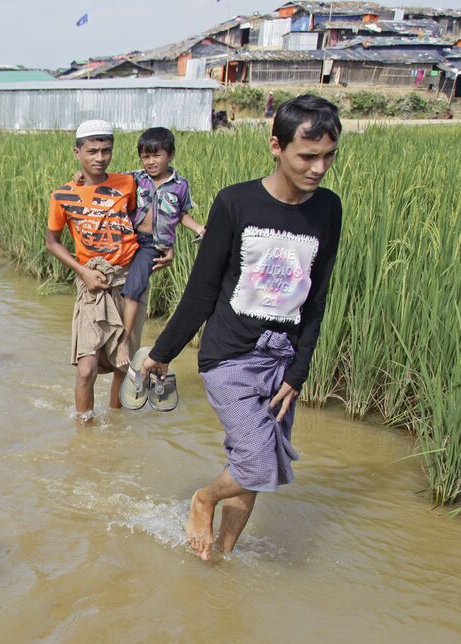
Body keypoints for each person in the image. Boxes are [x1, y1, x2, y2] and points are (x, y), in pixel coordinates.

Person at [139, 95, 343, 560]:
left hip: (281, 358)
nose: (319, 168)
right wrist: (161, 352)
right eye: (307, 156)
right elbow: (202, 288)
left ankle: (220, 557)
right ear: (277, 145)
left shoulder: (327, 209)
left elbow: (316, 297)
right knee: (256, 459)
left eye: (328, 155)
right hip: (229, 355)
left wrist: (298, 373)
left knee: (254, 463)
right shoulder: (236, 202)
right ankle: (203, 499)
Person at [44, 120, 165, 420]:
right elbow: (52, 242)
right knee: (86, 368)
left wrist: (165, 249)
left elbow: (165, 197)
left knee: (123, 365)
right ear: (77, 152)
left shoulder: (128, 183)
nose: (100, 158)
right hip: (92, 283)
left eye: (106, 150)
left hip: (128, 282)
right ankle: (84, 433)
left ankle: (116, 422)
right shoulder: (62, 196)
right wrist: (82, 271)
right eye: (92, 151)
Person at [76, 128, 206, 372]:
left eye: (157, 156)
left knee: (133, 292)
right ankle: (103, 341)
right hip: (129, 239)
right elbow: (104, 179)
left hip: (152, 246)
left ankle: (124, 343)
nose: (151, 162)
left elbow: (182, 215)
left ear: (171, 155)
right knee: (115, 284)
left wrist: (198, 227)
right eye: (146, 157)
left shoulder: (179, 185)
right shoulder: (134, 178)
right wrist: (80, 177)